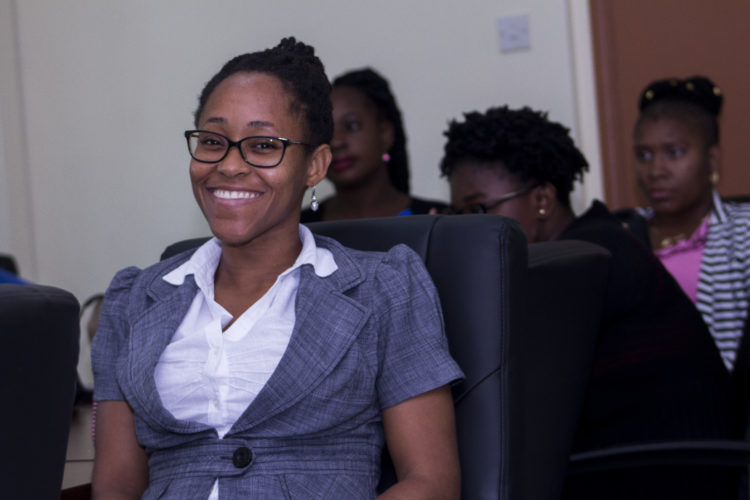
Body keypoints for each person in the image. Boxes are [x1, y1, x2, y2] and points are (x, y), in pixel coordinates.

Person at [91, 38, 462, 500]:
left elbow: (431, 483)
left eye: (263, 145)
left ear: (315, 166)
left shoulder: (383, 289)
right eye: (212, 142)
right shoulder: (134, 299)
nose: (229, 165)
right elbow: (116, 487)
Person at [440, 105, 739, 499]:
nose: (467, 227)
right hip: (657, 465)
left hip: (667, 475)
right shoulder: (594, 243)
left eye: (478, 210)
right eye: (457, 215)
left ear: (542, 199)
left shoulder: (576, 264)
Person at [632, 76, 750, 370]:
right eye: (643, 155)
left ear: (712, 159)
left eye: (674, 152)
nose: (655, 170)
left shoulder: (743, 232)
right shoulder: (623, 237)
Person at [300, 68, 447, 222]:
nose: (336, 142)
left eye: (351, 126)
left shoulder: (439, 219)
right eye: (325, 131)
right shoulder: (300, 228)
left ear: (384, 133)